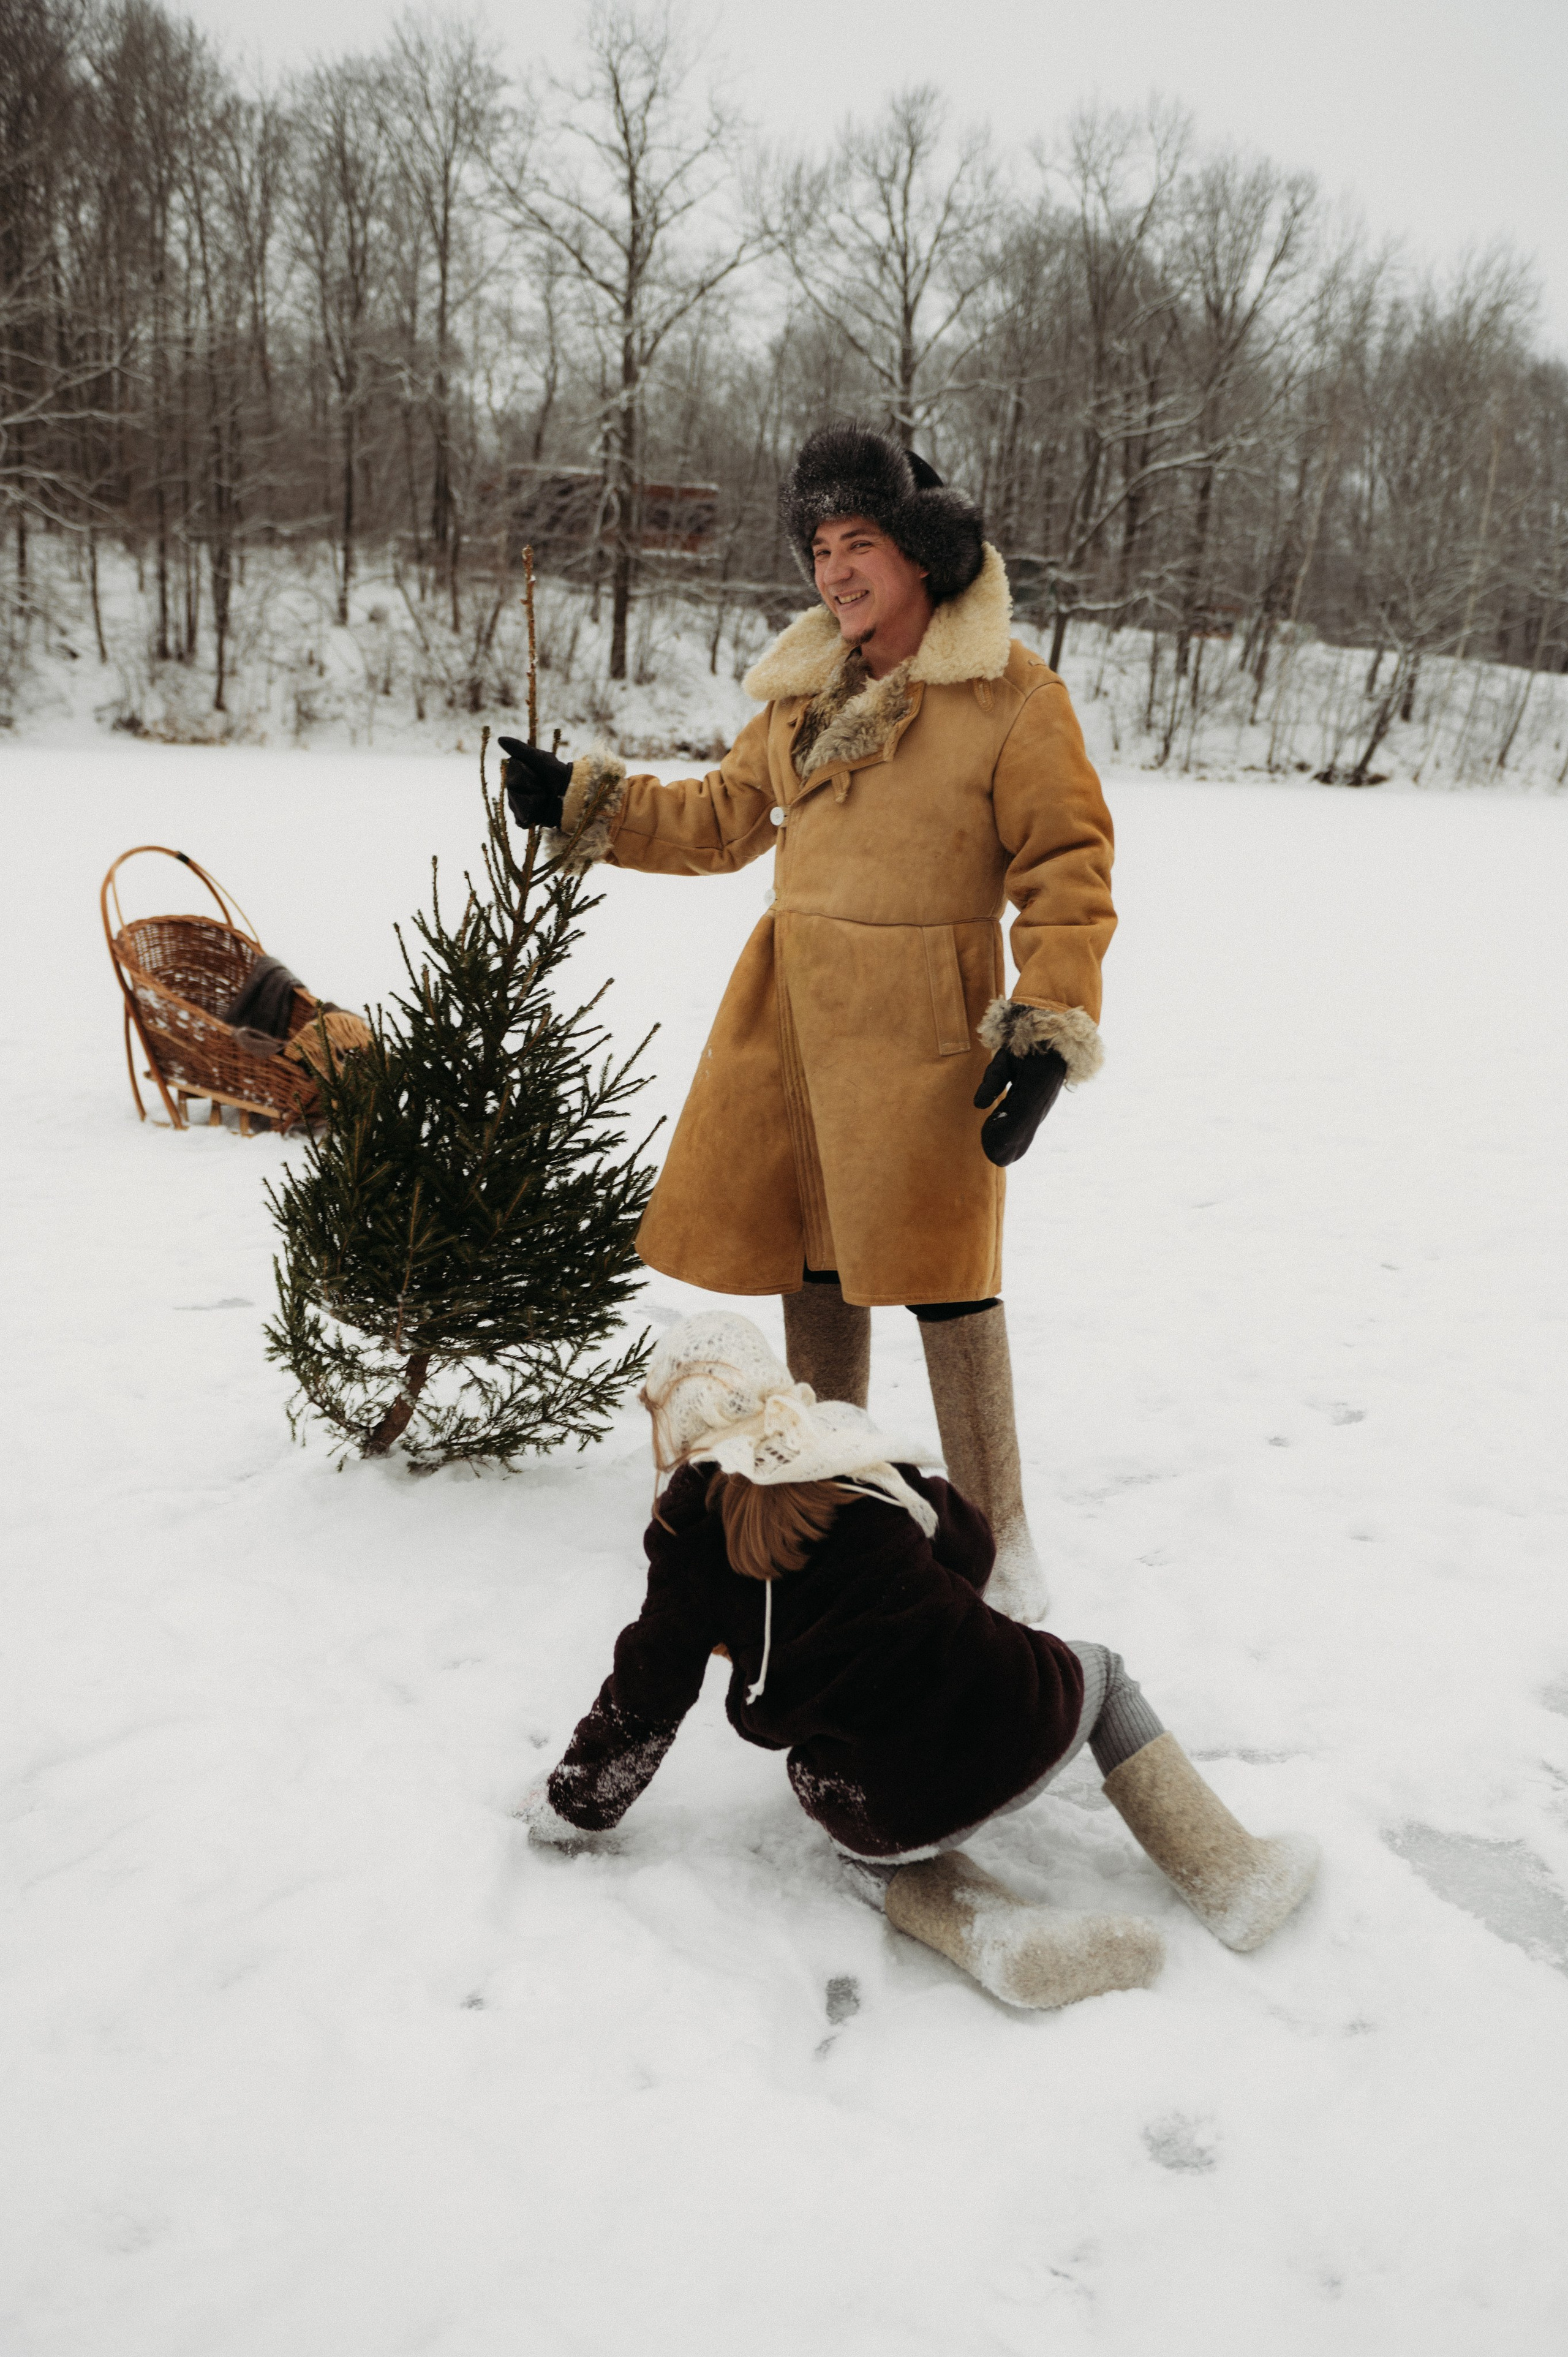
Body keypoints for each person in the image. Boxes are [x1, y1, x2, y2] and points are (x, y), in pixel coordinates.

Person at [499, 424, 1116, 1624]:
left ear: (919, 558)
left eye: (859, 544)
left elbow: (1067, 865)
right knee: (815, 1278)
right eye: (819, 547)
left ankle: (1008, 1549)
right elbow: (720, 820)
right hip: (792, 1032)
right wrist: (580, 802)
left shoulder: (1007, 693)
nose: (834, 571)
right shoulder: (798, 698)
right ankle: (830, 1504)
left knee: (948, 1289)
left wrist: (1044, 1028)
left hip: (928, 1039)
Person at [521, 1314, 1319, 2013]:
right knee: (1103, 1671)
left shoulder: (690, 1549)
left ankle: (996, 1935)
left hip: (884, 1806)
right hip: (1021, 1717)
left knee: (849, 1846)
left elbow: (644, 1701)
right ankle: (1233, 1874)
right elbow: (971, 1552)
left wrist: (574, 1807)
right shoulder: (860, 1461)